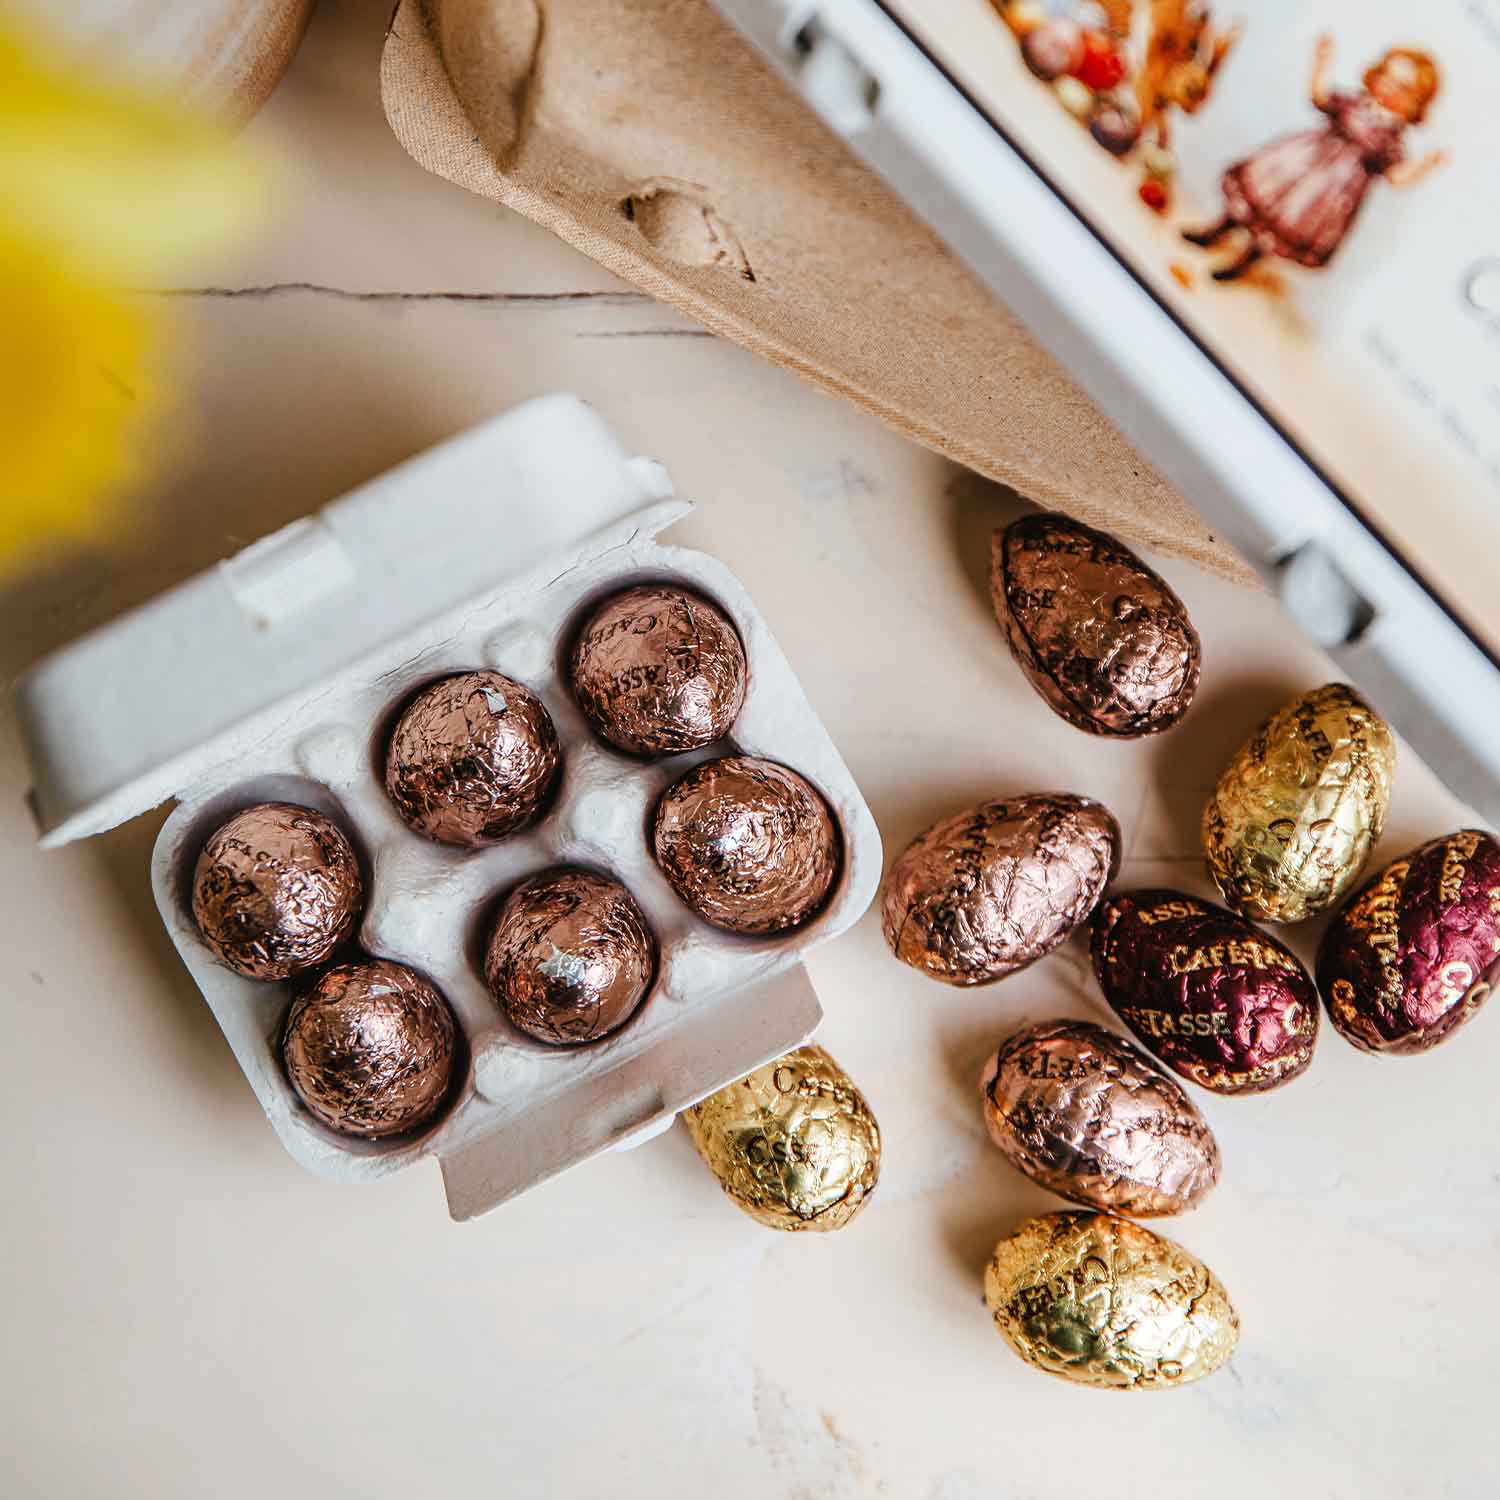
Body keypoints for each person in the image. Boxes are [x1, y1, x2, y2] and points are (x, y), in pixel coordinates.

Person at [1182, 37, 1445, 281]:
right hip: (1300, 159)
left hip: (1328, 195)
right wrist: (1320, 63)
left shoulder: (1391, 140)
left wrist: (1424, 167)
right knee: (1261, 192)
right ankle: (1218, 230)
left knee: (1283, 225)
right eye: (1387, 76)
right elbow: (1319, 98)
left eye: (1402, 88)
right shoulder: (1354, 103)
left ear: (1417, 103)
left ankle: (1245, 260)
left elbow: (1394, 177)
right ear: (1376, 73)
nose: (1389, 88)